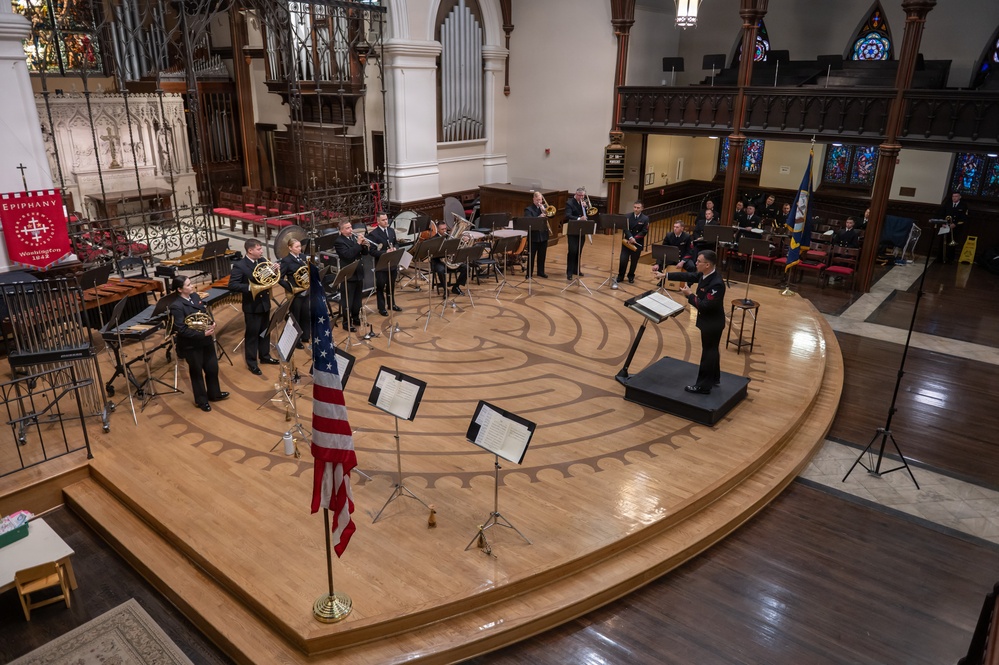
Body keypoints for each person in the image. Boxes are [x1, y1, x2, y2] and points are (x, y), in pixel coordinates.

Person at [663, 250, 726, 395]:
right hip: (709, 321)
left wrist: (690, 295)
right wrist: (666, 275)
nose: (695, 263)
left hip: (712, 323)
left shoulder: (716, 284)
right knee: (712, 350)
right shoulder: (706, 275)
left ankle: (703, 386)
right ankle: (714, 377)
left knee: (708, 353)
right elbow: (688, 275)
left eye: (699, 261)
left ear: (707, 265)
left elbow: (704, 305)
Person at [170, 276, 228, 411]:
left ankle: (214, 394)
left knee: (212, 368)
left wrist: (211, 322)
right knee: (197, 373)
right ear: (179, 289)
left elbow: (204, 313)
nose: (192, 286)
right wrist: (202, 334)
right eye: (188, 285)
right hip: (192, 345)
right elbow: (181, 329)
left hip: (206, 341)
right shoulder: (176, 306)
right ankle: (202, 401)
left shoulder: (195, 296)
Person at [228, 238, 279, 375]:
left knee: (265, 332)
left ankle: (265, 356)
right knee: (252, 335)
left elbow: (268, 278)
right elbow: (232, 285)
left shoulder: (262, 261)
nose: (262, 251)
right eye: (259, 249)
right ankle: (252, 363)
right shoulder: (240, 265)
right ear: (250, 250)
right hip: (252, 306)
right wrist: (251, 288)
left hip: (264, 304)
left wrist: (274, 271)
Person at [332, 219, 370, 331]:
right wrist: (358, 244)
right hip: (348, 275)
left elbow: (364, 253)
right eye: (348, 228)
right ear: (341, 230)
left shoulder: (353, 238)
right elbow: (348, 255)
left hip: (358, 273)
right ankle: (346, 323)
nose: (351, 230)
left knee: (357, 300)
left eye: (351, 227)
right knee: (348, 301)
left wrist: (364, 246)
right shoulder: (339, 242)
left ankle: (356, 318)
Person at [367, 212, 403, 315]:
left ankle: (391, 304)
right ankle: (381, 308)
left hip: (392, 264)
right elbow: (372, 251)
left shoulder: (391, 231)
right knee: (380, 287)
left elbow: (396, 243)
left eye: (386, 219)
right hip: (381, 266)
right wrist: (385, 252)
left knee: (391, 285)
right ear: (378, 221)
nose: (386, 221)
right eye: (383, 220)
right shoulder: (374, 234)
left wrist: (395, 248)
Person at [278, 236, 310, 348]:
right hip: (295, 293)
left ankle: (305, 335)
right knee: (296, 316)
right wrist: (290, 287)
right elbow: (279, 278)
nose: (299, 249)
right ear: (290, 248)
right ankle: (296, 341)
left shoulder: (302, 257)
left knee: (306, 313)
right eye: (296, 247)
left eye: (300, 246)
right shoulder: (286, 261)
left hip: (305, 290)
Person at [431, 220, 468, 296]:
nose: (445, 231)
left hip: (450, 261)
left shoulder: (450, 236)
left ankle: (456, 287)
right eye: (442, 229)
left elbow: (457, 248)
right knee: (441, 270)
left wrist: (463, 240)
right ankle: (445, 289)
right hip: (438, 261)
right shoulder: (434, 239)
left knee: (466, 268)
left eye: (445, 228)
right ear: (438, 230)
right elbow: (433, 254)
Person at [617, 201, 649, 284]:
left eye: (638, 208)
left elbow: (644, 231)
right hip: (627, 242)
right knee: (623, 259)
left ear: (642, 208)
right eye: (635, 207)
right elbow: (625, 228)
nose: (636, 209)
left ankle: (631, 276)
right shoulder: (627, 216)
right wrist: (630, 237)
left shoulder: (645, 218)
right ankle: (620, 276)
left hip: (637, 242)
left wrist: (635, 238)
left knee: (634, 261)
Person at [564, 187, 591, 280]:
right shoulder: (570, 203)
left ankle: (576, 270)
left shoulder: (583, 203)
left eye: (583, 196)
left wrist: (585, 207)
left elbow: (587, 215)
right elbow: (568, 215)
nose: (582, 197)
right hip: (572, 230)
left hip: (581, 230)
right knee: (572, 251)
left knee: (579, 251)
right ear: (576, 194)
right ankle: (569, 272)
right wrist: (579, 218)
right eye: (580, 196)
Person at [523, 192, 550, 278]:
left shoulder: (544, 207)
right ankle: (529, 274)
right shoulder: (528, 209)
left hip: (543, 235)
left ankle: (540, 272)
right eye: (537, 200)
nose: (539, 202)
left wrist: (545, 211)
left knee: (542, 256)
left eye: (540, 200)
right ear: (533, 199)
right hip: (533, 237)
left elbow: (552, 215)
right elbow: (528, 220)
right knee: (531, 256)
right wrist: (539, 217)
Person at [937, 192, 969, 264]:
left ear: (960, 197)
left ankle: (950, 259)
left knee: (952, 243)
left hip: (956, 228)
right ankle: (940, 258)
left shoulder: (963, 205)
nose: (954, 198)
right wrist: (943, 223)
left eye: (956, 196)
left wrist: (955, 224)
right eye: (953, 196)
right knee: (942, 242)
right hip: (945, 226)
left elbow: (964, 217)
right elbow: (941, 214)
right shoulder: (947, 204)